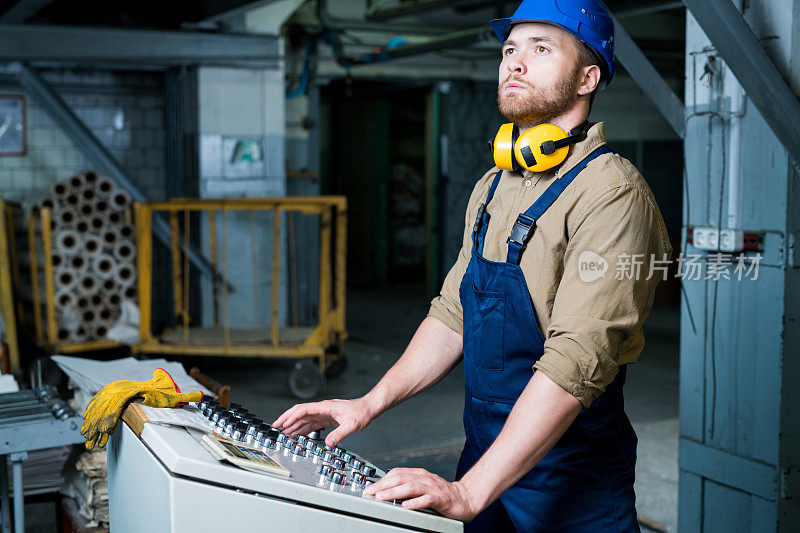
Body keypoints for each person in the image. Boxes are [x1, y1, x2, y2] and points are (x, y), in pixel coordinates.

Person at [274, 0, 672, 530]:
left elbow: (577, 361)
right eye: (509, 49)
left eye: (541, 48)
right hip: (485, 462)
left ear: (588, 77)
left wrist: (467, 492)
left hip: (572, 483)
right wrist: (368, 403)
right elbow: (453, 315)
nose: (514, 62)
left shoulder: (612, 194)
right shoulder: (492, 187)